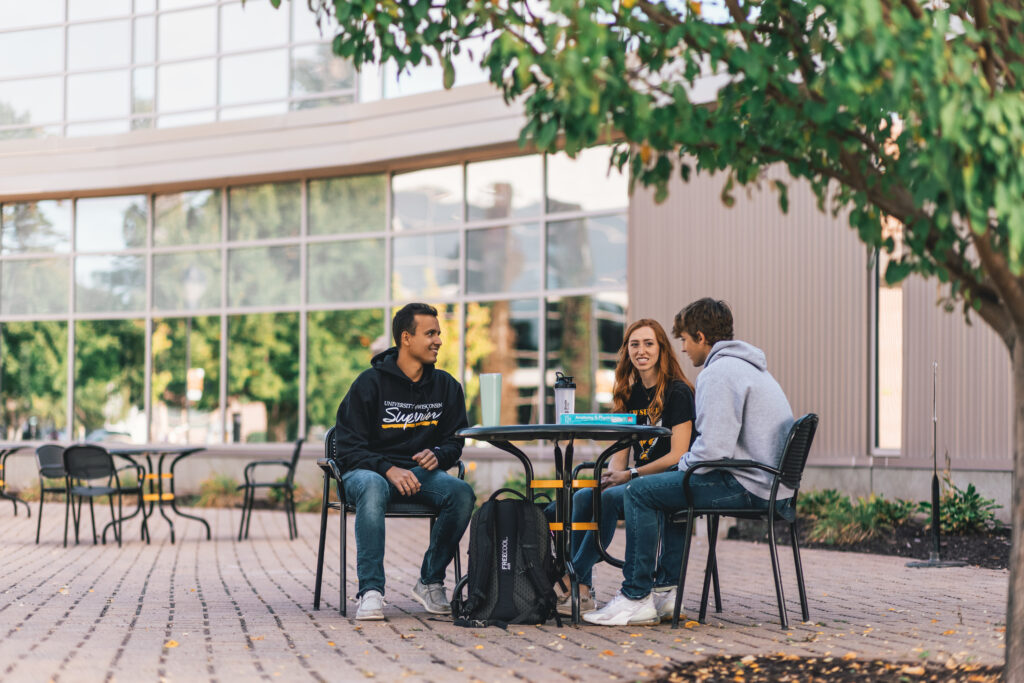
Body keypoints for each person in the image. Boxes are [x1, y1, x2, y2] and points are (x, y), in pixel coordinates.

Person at [584, 298, 795, 626]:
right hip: (770, 484)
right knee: (664, 487)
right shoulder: (747, 367)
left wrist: (678, 468)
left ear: (700, 336)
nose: (682, 348)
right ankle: (666, 593)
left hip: (748, 484)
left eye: (683, 339)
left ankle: (636, 596)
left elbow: (712, 450)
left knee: (643, 492)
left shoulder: (718, 373)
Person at [333, 303, 474, 620]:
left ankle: (430, 580)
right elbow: (346, 445)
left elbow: (455, 441)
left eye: (438, 333)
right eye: (430, 333)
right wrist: (387, 469)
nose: (438, 340)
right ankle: (371, 591)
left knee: (461, 492)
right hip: (367, 473)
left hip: (418, 477)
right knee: (372, 486)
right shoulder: (370, 384)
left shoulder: (447, 387)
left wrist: (438, 454)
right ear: (406, 338)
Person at [548, 319, 696, 615]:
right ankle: (584, 590)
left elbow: (679, 454)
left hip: (668, 480)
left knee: (606, 499)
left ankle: (572, 575)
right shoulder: (630, 395)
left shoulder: (678, 392)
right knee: (582, 496)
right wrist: (615, 475)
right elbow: (621, 450)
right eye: (634, 344)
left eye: (648, 343)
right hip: (636, 479)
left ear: (662, 349)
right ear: (627, 351)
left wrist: (629, 475)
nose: (641, 350)